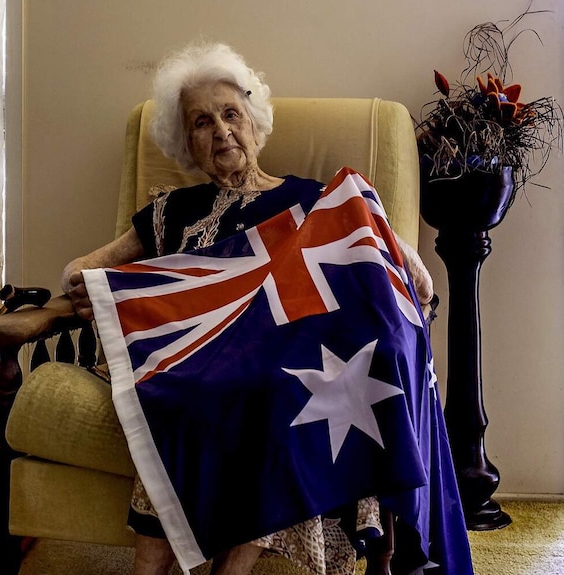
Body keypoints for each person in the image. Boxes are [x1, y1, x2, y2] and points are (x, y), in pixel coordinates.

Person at [61, 42, 435, 575]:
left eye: (230, 114)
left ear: (253, 122)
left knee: (276, 393)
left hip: (271, 361)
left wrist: (410, 273)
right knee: (176, 396)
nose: (220, 131)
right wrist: (97, 287)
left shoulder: (312, 200)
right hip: (190, 363)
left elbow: (389, 251)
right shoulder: (171, 209)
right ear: (186, 142)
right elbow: (82, 269)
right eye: (200, 122)